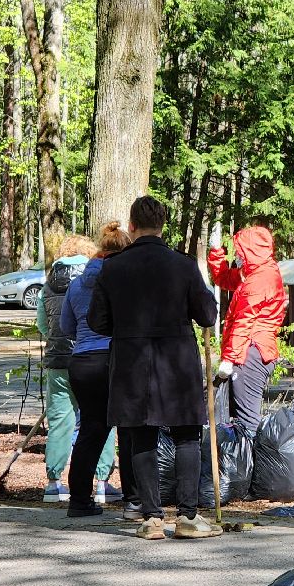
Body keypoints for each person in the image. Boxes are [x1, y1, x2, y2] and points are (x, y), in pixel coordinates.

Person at [88, 195, 221, 541]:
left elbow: (96, 321)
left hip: (131, 360)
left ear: (132, 226)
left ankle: (151, 518)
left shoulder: (113, 267)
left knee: (141, 436)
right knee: (187, 435)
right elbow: (207, 315)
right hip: (177, 361)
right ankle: (188, 516)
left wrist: (127, 327)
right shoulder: (183, 264)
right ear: (163, 225)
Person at [36, 234, 121, 505]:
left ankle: (53, 483)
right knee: (100, 419)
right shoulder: (96, 279)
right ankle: (102, 483)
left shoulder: (49, 284)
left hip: (58, 361)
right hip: (93, 358)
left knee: (60, 421)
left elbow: (44, 326)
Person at [60, 222, 133, 517]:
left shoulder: (77, 283)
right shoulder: (122, 281)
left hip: (81, 362)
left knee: (90, 430)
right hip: (113, 359)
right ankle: (134, 499)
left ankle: (79, 499)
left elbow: (66, 326)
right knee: (129, 428)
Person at [207, 220, 287, 435]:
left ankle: (250, 456)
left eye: (241, 251)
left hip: (250, 353)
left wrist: (229, 359)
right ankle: (245, 454)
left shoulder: (259, 280)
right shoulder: (256, 272)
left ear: (251, 251)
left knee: (247, 420)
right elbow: (223, 278)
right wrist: (216, 251)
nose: (238, 255)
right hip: (253, 350)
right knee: (243, 418)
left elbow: (244, 321)